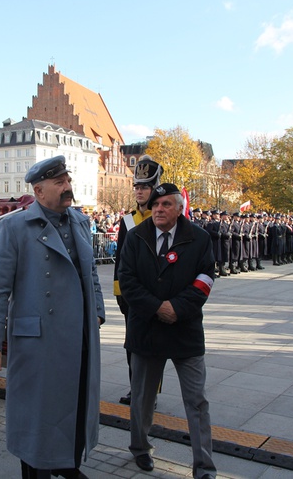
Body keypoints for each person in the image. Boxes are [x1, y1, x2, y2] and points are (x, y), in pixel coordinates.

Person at [0, 155, 105, 478]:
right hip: (38, 342)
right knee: (36, 419)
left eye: (68, 181)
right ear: (38, 191)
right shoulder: (14, 227)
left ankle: (66, 463)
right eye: (59, 183)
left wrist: (98, 311)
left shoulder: (81, 221)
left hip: (79, 337)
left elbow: (89, 271)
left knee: (73, 408)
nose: (68, 188)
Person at [118, 183, 216, 478]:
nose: (158, 210)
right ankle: (140, 449)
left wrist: (178, 308)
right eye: (155, 205)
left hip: (184, 330)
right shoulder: (136, 237)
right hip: (146, 330)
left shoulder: (199, 238)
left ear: (179, 208)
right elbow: (127, 280)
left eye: (165, 205)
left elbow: (206, 277)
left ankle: (205, 466)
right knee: (142, 398)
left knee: (197, 401)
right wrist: (158, 307)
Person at [113, 154, 163, 405]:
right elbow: (120, 259)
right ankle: (136, 388)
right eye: (137, 186)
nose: (139, 191)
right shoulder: (129, 220)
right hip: (132, 294)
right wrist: (119, 292)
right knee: (132, 345)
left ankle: (150, 392)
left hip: (155, 294)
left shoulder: (161, 218)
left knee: (153, 346)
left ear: (155, 189)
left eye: (144, 187)